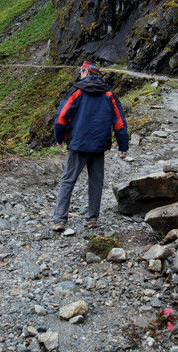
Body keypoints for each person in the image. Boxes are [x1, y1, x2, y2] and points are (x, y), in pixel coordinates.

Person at [51, 61, 129, 232]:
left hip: (78, 144)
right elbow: (119, 122)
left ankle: (59, 220)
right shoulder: (108, 93)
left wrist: (59, 136)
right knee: (96, 181)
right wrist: (123, 145)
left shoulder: (77, 91)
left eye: (81, 71)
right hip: (99, 144)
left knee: (68, 180)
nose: (80, 74)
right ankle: (92, 218)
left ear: (86, 72)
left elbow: (62, 115)